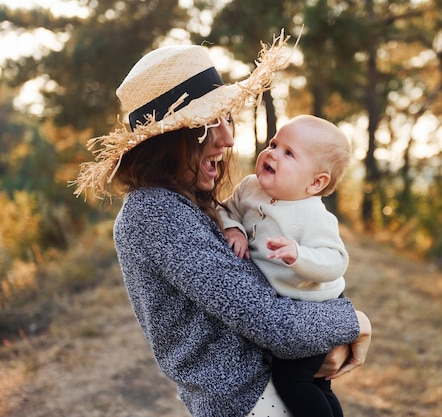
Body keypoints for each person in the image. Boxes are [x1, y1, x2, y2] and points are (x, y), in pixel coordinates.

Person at [73, 32, 371, 417]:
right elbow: (271, 322)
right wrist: (354, 321)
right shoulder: (155, 212)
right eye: (210, 123)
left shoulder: (185, 202)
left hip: (269, 390)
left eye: (226, 118)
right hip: (252, 402)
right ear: (171, 139)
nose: (229, 138)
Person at [219, 115, 352, 417]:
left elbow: (336, 261)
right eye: (274, 144)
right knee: (318, 385)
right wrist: (233, 229)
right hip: (289, 311)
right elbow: (223, 209)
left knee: (292, 379)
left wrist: (299, 255)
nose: (272, 153)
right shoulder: (249, 188)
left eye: (288, 153)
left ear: (315, 183)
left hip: (319, 310)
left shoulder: (313, 215)